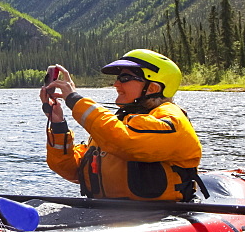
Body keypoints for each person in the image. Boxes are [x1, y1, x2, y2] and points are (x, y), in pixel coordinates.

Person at [39, 49, 205, 201]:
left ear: (152, 87)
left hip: (164, 217)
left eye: (124, 78)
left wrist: (75, 100)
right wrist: (58, 124)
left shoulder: (172, 118)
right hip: (108, 214)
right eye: (117, 79)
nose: (116, 85)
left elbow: (127, 142)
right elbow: (73, 170)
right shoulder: (117, 123)